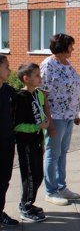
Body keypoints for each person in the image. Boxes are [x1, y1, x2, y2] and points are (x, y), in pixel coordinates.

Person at [41, 33, 80, 206]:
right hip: (56, 116)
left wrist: (76, 113)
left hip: (68, 115)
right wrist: (48, 122)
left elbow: (73, 89)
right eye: (71, 45)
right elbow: (42, 95)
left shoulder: (67, 64)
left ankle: (61, 185)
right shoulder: (48, 65)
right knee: (52, 154)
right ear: (63, 47)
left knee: (63, 152)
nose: (73, 48)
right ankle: (50, 191)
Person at [15, 63, 50, 222]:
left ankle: (29, 202)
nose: (40, 78)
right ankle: (25, 206)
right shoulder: (20, 98)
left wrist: (42, 141)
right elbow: (18, 125)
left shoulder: (38, 94)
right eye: (36, 75)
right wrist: (37, 126)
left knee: (38, 175)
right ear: (26, 78)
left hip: (36, 142)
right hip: (26, 144)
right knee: (29, 177)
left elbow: (41, 115)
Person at [0, 55, 19, 226]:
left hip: (7, 142)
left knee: (4, 178)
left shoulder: (8, 91)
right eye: (6, 66)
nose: (9, 70)